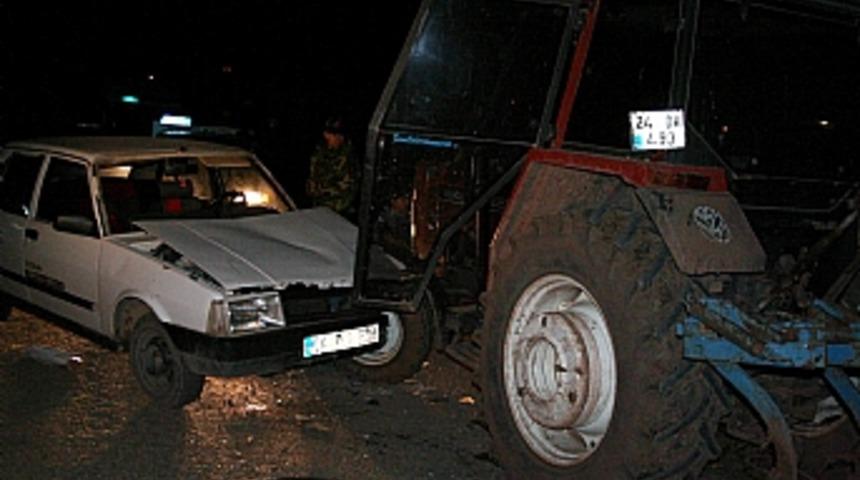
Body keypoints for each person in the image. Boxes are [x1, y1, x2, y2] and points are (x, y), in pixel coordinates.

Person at [305, 117, 358, 219]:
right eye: (327, 133)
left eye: (331, 135)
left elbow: (346, 187)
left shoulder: (348, 158)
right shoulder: (321, 152)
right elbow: (313, 174)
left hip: (339, 212)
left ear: (340, 137)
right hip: (318, 209)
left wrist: (321, 189)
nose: (327, 137)